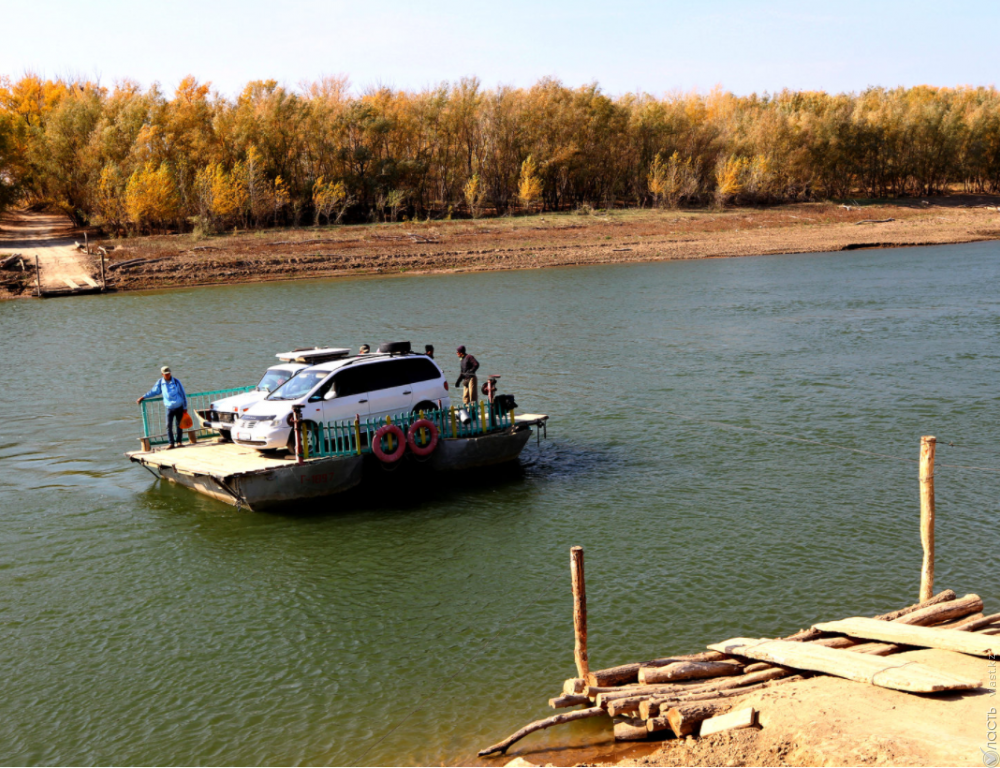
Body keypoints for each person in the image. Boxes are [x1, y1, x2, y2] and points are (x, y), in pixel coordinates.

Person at [137, 366, 188, 449]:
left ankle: (179, 442)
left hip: (179, 406)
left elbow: (183, 394)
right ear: (162, 374)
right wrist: (143, 397)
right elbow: (154, 391)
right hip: (169, 408)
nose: (167, 375)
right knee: (168, 425)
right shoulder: (161, 382)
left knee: (179, 425)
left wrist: (185, 407)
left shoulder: (176, 381)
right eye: (165, 374)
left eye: (168, 373)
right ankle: (171, 443)